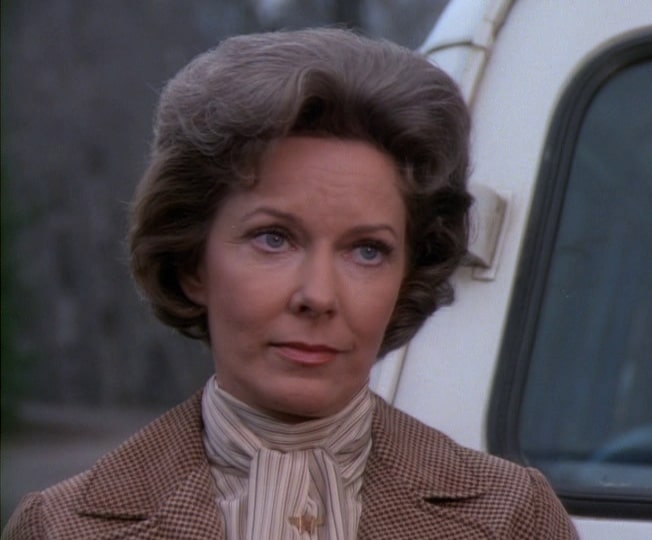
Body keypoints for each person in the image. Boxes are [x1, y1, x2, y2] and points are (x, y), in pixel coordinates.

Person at [2, 28, 578, 539]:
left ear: (408, 274)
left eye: (367, 250)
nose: (318, 296)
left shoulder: (512, 518)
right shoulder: (61, 527)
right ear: (193, 263)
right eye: (273, 239)